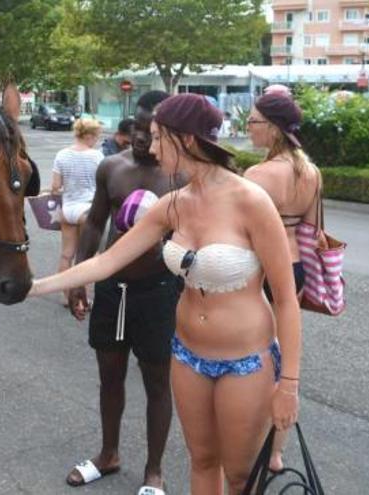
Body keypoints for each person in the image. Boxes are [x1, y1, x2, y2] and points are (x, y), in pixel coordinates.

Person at [30, 94, 301, 494]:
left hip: (245, 361)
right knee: (202, 462)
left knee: (241, 476)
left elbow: (285, 298)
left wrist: (289, 385)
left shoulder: (250, 201)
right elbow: (107, 261)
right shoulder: (173, 204)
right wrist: (35, 287)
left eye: (158, 138)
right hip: (188, 354)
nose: (151, 146)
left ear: (185, 140)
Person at [63, 90, 178, 495]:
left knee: (157, 383)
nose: (144, 136)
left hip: (160, 291)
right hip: (113, 290)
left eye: (153, 129)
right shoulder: (111, 167)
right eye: (139, 126)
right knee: (109, 377)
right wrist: (79, 274)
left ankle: (154, 471)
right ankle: (108, 454)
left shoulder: (179, 177)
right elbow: (94, 223)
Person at [243, 91, 321, 473]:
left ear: (273, 129)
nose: (248, 127)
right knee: (283, 358)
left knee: (255, 357)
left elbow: (239, 233)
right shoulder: (311, 171)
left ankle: (251, 439)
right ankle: (276, 453)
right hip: (296, 270)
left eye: (254, 121)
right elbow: (316, 230)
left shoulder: (258, 175)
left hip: (262, 270)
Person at [51, 118, 103, 303]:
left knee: (67, 255)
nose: (97, 140)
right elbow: (103, 186)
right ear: (89, 136)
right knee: (87, 257)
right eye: (96, 136)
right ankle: (82, 298)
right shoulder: (97, 157)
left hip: (68, 209)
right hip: (87, 210)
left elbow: (55, 186)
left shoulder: (62, 155)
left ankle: (66, 297)